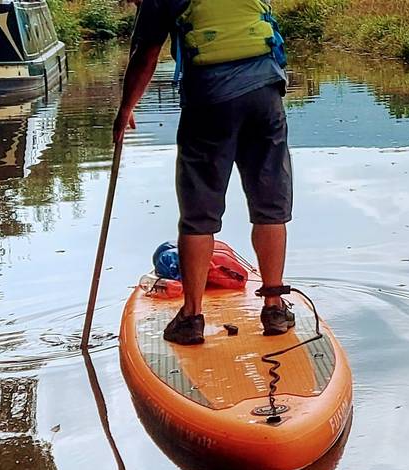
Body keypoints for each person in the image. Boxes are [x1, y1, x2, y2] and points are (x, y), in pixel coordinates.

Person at [113, 0, 295, 345]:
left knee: (198, 213)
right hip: (265, 96)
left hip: (209, 101)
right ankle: (274, 307)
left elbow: (146, 55)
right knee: (269, 204)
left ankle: (192, 317)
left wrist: (125, 110)